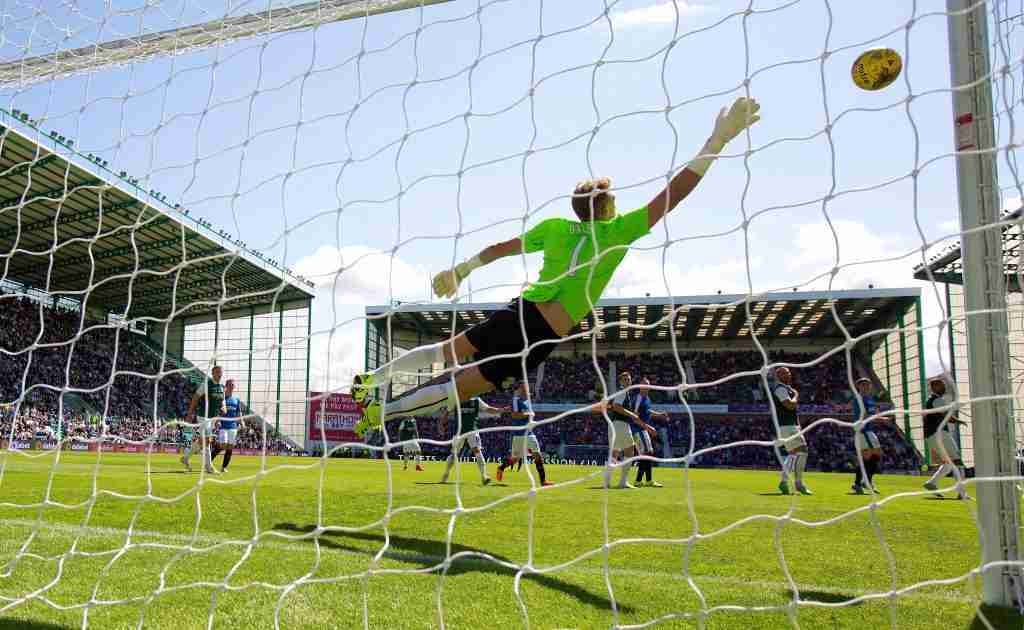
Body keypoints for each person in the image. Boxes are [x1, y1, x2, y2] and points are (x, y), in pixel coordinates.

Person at [350, 97, 761, 431]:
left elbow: (502, 247)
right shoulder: (617, 232)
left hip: (521, 310)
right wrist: (716, 143)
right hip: (543, 332)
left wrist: (461, 270)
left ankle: (372, 381)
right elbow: (672, 196)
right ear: (607, 205)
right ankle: (379, 415)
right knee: (463, 387)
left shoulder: (557, 228)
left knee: (448, 350)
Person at [921, 377, 969, 500]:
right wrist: (960, 421)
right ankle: (962, 493)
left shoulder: (931, 400)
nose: (944, 388)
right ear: (934, 387)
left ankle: (931, 483)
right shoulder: (937, 400)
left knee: (948, 464)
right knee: (957, 461)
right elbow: (947, 416)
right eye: (941, 385)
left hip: (931, 436)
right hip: (939, 433)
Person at [496, 382, 552, 486]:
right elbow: (515, 415)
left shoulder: (527, 401)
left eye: (528, 387)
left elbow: (518, 412)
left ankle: (543, 481)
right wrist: (528, 414)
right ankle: (501, 468)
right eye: (525, 387)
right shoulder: (516, 400)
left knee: (537, 455)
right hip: (519, 434)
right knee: (515, 459)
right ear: (521, 388)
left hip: (529, 433)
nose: (528, 389)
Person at [439, 397, 500, 485]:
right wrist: (442, 424)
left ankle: (484, 476)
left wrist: (500, 410)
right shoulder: (456, 399)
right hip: (459, 431)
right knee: (454, 453)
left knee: (477, 450)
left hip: (472, 430)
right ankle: (446, 473)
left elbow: (488, 409)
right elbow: (446, 412)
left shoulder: (476, 400)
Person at [771, 367, 811, 496]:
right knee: (803, 451)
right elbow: (789, 405)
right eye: (783, 373)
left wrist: (798, 425)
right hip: (787, 426)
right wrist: (797, 395)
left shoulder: (787, 389)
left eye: (788, 372)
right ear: (778, 376)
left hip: (790, 425)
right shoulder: (780, 389)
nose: (787, 374)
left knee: (793, 454)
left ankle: (783, 482)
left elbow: (792, 410)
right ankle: (798, 483)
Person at [184, 365, 225, 475]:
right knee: (207, 440)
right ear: (213, 373)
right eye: (217, 372)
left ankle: (186, 457)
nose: (220, 374)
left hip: (213, 417)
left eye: (221, 372)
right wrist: (190, 413)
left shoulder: (221, 386)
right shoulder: (207, 384)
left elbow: (222, 400)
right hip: (203, 416)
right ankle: (208, 467)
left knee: (203, 442)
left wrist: (224, 406)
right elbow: (196, 397)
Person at [850, 377, 884, 494]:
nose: (866, 387)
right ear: (858, 386)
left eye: (868, 384)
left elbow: (872, 414)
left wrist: (882, 418)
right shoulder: (859, 399)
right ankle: (860, 483)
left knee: (872, 456)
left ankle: (862, 482)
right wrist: (877, 419)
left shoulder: (869, 399)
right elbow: (864, 416)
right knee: (870, 456)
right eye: (863, 384)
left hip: (868, 430)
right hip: (862, 430)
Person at [633, 377, 668, 487]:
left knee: (649, 453)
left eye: (648, 385)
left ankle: (646, 480)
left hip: (643, 430)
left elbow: (648, 412)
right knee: (645, 454)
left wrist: (659, 415)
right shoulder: (637, 399)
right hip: (637, 430)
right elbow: (634, 418)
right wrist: (649, 428)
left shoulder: (647, 398)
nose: (647, 387)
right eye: (645, 385)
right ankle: (640, 480)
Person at [210, 379, 241, 473]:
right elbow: (217, 410)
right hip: (223, 426)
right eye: (230, 385)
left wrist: (241, 422)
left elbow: (239, 412)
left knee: (230, 447)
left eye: (233, 385)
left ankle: (224, 467)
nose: (232, 386)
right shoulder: (222, 399)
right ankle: (208, 461)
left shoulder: (236, 400)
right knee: (222, 445)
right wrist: (217, 421)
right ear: (226, 386)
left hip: (233, 426)